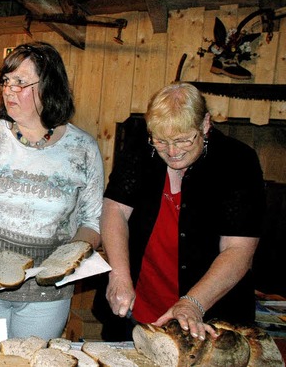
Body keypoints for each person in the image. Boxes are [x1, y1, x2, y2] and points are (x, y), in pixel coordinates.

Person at [0, 41, 104, 340]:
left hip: (48, 291)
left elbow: (91, 222)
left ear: (50, 86)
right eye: (6, 81)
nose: (9, 90)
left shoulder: (83, 149)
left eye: (21, 82)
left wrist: (67, 258)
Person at [99, 82, 265, 342]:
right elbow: (115, 208)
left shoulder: (237, 162)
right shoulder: (141, 148)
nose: (173, 152)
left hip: (211, 314)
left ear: (205, 125)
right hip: (138, 305)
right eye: (161, 141)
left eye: (183, 140)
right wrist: (118, 273)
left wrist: (193, 303)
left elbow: (238, 250)